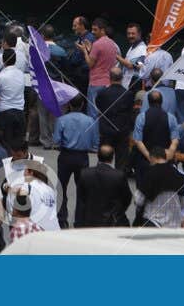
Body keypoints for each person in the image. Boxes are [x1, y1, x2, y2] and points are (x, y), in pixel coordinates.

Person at [51, 95, 98, 227]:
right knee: (82, 190)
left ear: (70, 105)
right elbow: (95, 143)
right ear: (82, 105)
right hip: (82, 157)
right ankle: (80, 221)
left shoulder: (62, 120)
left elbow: (56, 141)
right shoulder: (90, 121)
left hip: (66, 156)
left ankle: (62, 219)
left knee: (61, 188)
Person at [75, 144, 132, 227]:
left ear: (98, 156)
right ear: (112, 157)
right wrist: (118, 212)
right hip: (112, 220)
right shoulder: (119, 176)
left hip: (90, 220)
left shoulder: (85, 174)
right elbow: (127, 198)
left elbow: (80, 200)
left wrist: (78, 222)